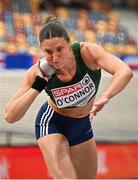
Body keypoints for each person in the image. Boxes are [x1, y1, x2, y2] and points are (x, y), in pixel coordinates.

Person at [4, 15, 133, 179]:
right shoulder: (38, 72)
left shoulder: (87, 53)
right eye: (48, 52)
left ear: (69, 43)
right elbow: (10, 115)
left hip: (82, 125)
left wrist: (106, 96)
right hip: (53, 123)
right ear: (41, 50)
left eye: (60, 49)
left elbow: (124, 71)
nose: (55, 58)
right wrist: (37, 87)